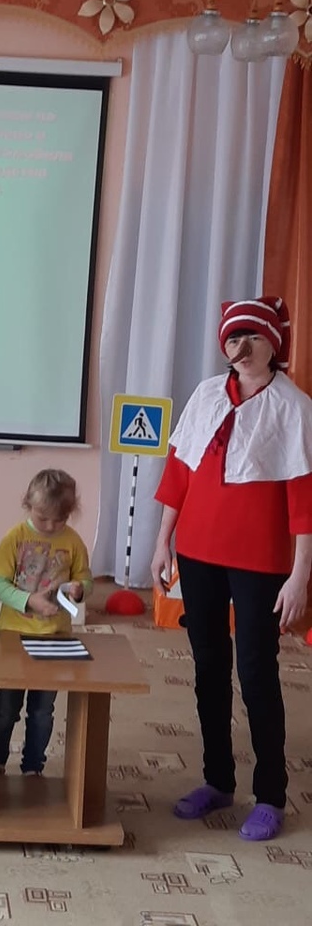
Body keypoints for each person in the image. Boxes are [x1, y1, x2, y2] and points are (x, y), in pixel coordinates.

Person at [150, 297, 312, 842]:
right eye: (233, 339)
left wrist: (300, 575)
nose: (242, 348)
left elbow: (304, 500)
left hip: (260, 560)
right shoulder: (205, 394)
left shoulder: (294, 407)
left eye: (254, 338)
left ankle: (270, 794)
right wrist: (163, 541)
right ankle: (217, 779)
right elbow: (180, 470)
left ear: (273, 345)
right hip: (197, 550)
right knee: (208, 666)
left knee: (257, 673)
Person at [0, 469, 93, 776]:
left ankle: (33, 765)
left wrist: (79, 589)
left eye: (60, 519)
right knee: (6, 708)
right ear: (27, 504)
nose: (51, 526)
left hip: (55, 637)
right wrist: (29, 600)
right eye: (43, 518)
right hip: (14, 636)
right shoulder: (15, 538)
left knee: (43, 710)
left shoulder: (73, 542)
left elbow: (85, 579)